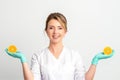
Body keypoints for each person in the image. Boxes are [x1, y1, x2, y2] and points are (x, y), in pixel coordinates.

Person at [5, 12, 114, 80]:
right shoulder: (38, 56)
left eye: (60, 28)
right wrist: (23, 61)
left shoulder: (74, 55)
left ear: (65, 31)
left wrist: (95, 62)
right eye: (51, 28)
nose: (55, 31)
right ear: (46, 31)